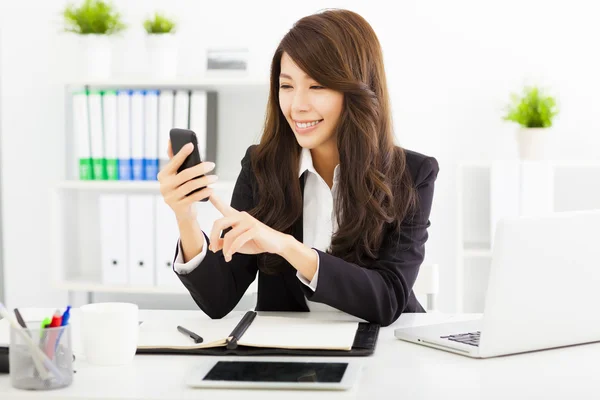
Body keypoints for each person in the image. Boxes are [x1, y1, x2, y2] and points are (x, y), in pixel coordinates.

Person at [157, 9, 439, 327]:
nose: (297, 105)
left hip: (385, 352)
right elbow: (219, 299)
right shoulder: (262, 168)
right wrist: (186, 218)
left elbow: (387, 300)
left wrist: (287, 246)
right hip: (291, 354)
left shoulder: (412, 174)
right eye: (287, 86)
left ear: (358, 90)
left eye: (317, 86)